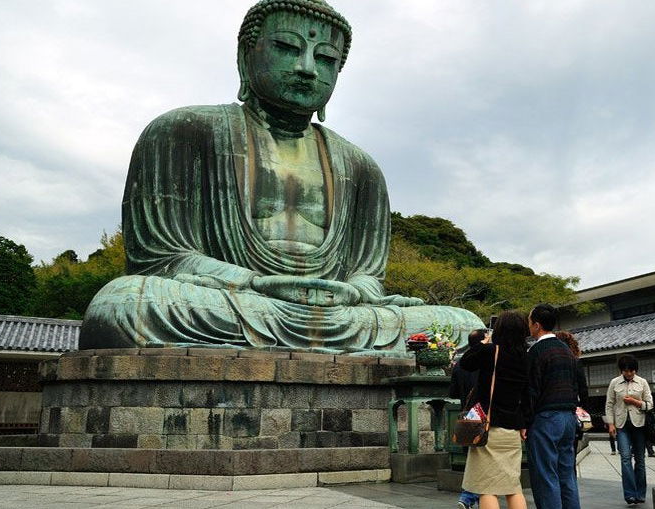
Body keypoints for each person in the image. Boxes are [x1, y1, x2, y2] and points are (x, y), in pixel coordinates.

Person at [78, 0, 484, 351]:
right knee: (125, 304)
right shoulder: (181, 131)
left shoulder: (361, 167)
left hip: (338, 312)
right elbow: (162, 259)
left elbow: (367, 276)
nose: (307, 69)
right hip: (234, 301)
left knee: (462, 326)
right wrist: (255, 284)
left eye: (325, 59)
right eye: (288, 48)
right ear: (245, 56)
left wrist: (353, 291)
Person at [459, 311, 529, 509]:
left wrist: (483, 343)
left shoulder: (490, 351)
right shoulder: (525, 356)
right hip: (513, 428)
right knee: (513, 487)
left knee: (486, 488)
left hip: (489, 428)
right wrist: (524, 423)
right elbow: (527, 393)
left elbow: (465, 363)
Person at [525, 304, 581, 509]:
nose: (529, 325)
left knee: (545, 475)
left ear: (537, 325)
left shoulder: (536, 351)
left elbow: (532, 390)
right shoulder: (567, 350)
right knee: (567, 473)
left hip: (546, 418)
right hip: (568, 417)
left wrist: (526, 421)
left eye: (530, 321)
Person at [605, 354, 654, 506]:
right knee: (625, 457)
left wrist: (635, 402)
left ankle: (640, 493)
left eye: (632, 371)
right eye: (626, 371)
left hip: (639, 424)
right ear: (621, 371)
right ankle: (630, 494)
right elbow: (609, 404)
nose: (629, 374)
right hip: (621, 425)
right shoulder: (614, 383)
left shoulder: (642, 382)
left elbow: (650, 404)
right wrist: (611, 424)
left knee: (640, 459)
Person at [450, 329, 487, 509]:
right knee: (484, 458)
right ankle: (470, 496)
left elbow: (453, 392)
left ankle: (470, 496)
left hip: (468, 416)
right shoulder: (487, 361)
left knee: (472, 458)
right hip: (485, 414)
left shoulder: (459, 365)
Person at [555, 330, 590, 453]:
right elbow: (583, 389)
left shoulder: (553, 362)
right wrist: (584, 410)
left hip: (555, 411)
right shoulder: (576, 362)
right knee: (570, 452)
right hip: (573, 410)